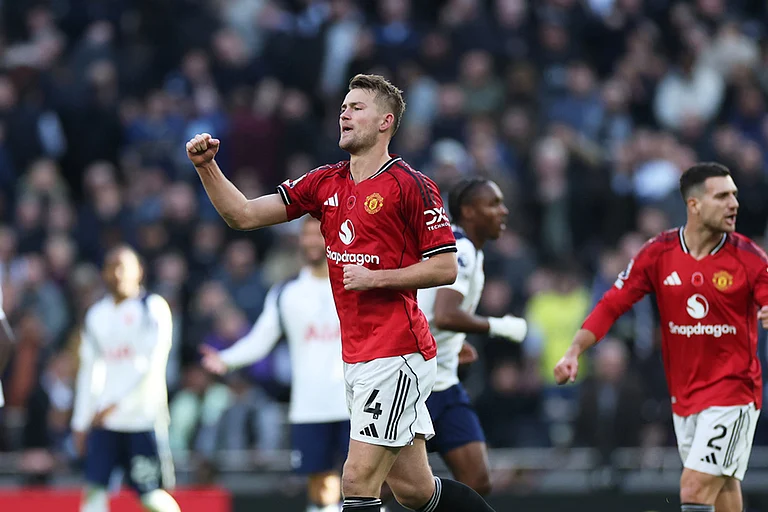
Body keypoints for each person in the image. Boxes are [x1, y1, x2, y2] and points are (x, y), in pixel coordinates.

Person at [187, 73, 496, 512]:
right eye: (343, 106)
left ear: (385, 122)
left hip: (398, 351)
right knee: (415, 491)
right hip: (358, 355)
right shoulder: (325, 182)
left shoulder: (411, 185)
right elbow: (243, 215)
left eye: (357, 107)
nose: (344, 113)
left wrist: (378, 279)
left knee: (354, 477)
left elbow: (445, 266)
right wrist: (207, 168)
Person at [554, 162, 768, 512]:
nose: (734, 204)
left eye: (735, 195)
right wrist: (575, 349)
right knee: (724, 487)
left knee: (695, 484)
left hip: (734, 392)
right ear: (694, 205)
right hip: (685, 395)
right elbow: (611, 304)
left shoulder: (748, 256)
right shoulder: (659, 253)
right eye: (723, 196)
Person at [200, 217, 350, 512]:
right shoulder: (287, 292)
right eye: (305, 236)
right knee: (321, 487)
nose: (311, 242)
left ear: (333, 238)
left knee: (367, 483)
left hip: (354, 403)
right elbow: (260, 339)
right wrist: (226, 359)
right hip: (309, 406)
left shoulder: (355, 281)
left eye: (317, 235)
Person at [417, 177, 527, 495]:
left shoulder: (466, 248)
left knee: (477, 481)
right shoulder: (460, 249)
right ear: (468, 211)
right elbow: (446, 313)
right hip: (415, 386)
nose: (503, 211)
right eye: (493, 204)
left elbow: (432, 314)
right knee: (387, 488)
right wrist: (500, 326)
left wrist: (453, 344)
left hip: (445, 382)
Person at [71, 246, 179, 512]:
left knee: (150, 495)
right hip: (105, 423)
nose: (117, 273)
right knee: (94, 492)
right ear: (103, 273)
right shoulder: (97, 314)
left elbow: (153, 366)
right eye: (111, 267)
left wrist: (116, 405)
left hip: (142, 419)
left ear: (139, 271)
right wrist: (80, 420)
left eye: (123, 266)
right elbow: (89, 370)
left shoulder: (152, 308)